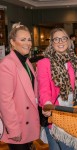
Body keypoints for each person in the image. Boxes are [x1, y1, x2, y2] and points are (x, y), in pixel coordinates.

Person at [37, 28, 77, 150]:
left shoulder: (75, 62)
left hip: (73, 113)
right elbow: (44, 88)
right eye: (56, 39)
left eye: (63, 38)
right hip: (55, 114)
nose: (60, 42)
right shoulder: (44, 63)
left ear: (69, 41)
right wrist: (47, 104)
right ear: (52, 43)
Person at [0, 22, 40, 150]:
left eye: (29, 39)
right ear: (12, 42)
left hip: (27, 120)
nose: (28, 43)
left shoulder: (26, 60)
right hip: (18, 124)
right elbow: (5, 101)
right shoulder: (6, 64)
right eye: (23, 39)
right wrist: (13, 129)